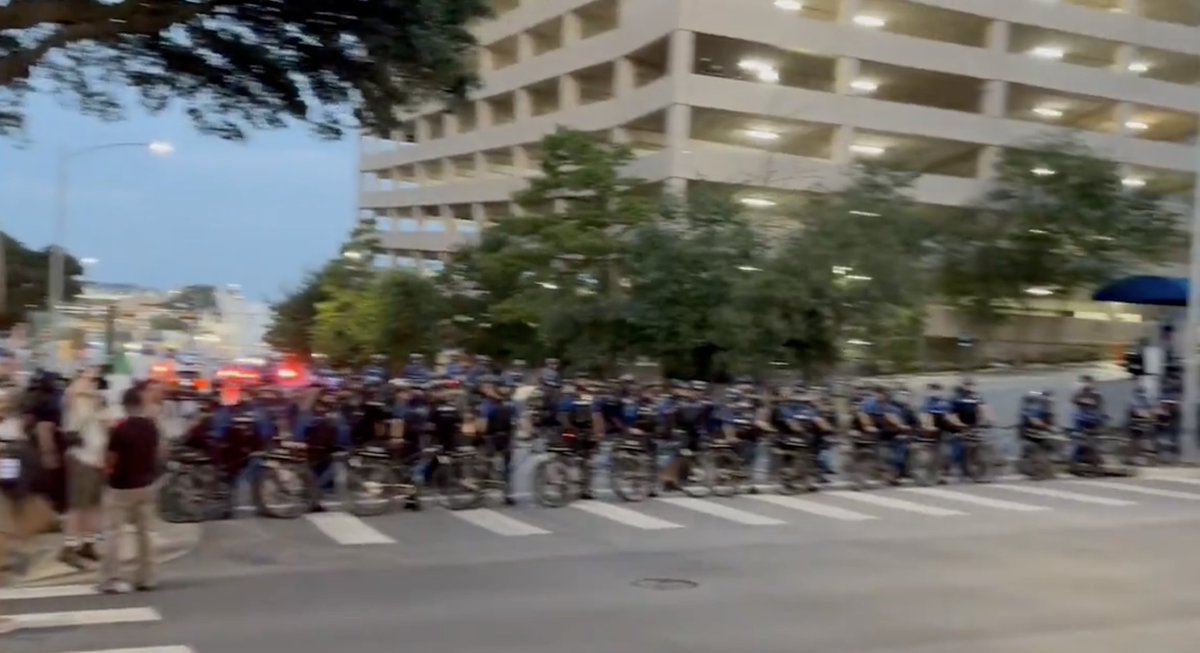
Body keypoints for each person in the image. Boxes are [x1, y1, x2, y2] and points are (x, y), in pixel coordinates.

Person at [98, 387, 162, 594]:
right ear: (141, 404)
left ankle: (111, 578)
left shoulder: (119, 429)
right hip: (146, 485)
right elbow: (160, 453)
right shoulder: (152, 427)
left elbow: (110, 459)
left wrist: (107, 474)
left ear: (124, 406)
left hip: (120, 488)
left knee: (114, 534)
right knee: (146, 534)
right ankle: (147, 577)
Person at [59, 367, 111, 568]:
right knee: (78, 505)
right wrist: (89, 396)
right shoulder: (76, 403)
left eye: (94, 380)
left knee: (94, 505)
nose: (92, 383)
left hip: (97, 459)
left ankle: (88, 543)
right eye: (87, 379)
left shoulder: (96, 404)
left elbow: (107, 424)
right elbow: (73, 395)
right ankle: (69, 546)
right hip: (82, 459)